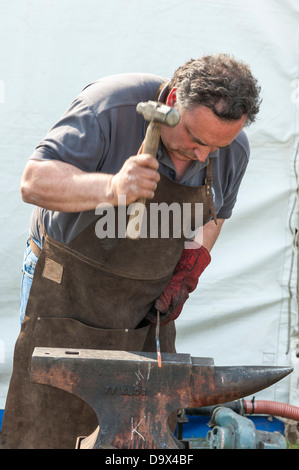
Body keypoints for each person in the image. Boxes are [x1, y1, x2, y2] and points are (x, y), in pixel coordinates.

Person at [0, 54, 261, 449]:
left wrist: (189, 269)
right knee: (48, 421)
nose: (205, 155)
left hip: (145, 305)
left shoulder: (232, 149)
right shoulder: (111, 108)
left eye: (217, 146)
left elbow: (215, 215)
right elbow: (34, 182)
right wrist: (111, 189)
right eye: (196, 139)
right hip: (67, 291)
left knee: (138, 430)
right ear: (173, 101)